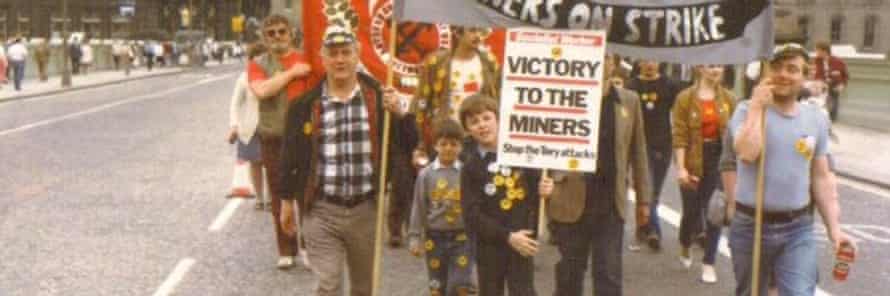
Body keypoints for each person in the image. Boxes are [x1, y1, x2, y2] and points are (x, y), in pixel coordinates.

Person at [277, 24, 412, 296]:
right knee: (328, 285)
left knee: (364, 288)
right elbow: (288, 155)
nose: (340, 59)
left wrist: (400, 113)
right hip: (321, 210)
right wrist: (286, 201)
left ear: (357, 54)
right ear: (322, 58)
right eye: (333, 53)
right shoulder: (304, 105)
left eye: (346, 52)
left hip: (366, 210)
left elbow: (410, 144)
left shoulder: (379, 97)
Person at [729, 44, 853, 296]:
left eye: (792, 69)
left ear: (805, 76)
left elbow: (822, 177)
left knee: (799, 292)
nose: (783, 74)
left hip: (797, 227)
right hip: (751, 225)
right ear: (766, 71)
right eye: (777, 67)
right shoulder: (745, 110)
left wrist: (834, 229)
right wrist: (756, 108)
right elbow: (746, 153)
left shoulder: (815, 118)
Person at [538, 54, 651, 296]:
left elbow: (638, 151)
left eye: (608, 56)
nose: (602, 61)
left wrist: (644, 199)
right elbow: (543, 142)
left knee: (609, 274)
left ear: (615, 62)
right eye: (596, 54)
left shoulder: (629, 101)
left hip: (611, 201)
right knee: (569, 273)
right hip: (570, 196)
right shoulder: (564, 95)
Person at [396, 26, 501, 247]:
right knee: (442, 187)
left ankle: (473, 234)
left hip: (476, 138)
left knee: (479, 186)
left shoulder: (488, 61)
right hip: (446, 136)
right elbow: (422, 100)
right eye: (471, 31)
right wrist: (420, 140)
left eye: (478, 31)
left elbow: (497, 97)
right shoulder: (438, 62)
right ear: (457, 33)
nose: (477, 35)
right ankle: (438, 232)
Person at [247, 14, 314, 270]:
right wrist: (291, 74)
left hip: (304, 136)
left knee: (306, 194)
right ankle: (286, 249)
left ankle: (308, 247)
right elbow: (262, 90)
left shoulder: (305, 59)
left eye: (281, 32)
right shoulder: (258, 63)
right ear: (264, 37)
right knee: (278, 194)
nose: (277, 37)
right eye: (271, 32)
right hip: (273, 136)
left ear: (291, 34)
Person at [458, 94, 540, 296]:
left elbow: (534, 193)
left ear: (498, 119)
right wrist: (507, 236)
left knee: (523, 291)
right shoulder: (470, 167)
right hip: (490, 246)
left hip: (522, 242)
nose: (482, 125)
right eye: (474, 122)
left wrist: (544, 190)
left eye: (487, 118)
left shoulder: (522, 153)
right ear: (467, 129)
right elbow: (471, 214)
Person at [671, 64, 737, 283]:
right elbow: (679, 135)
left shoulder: (729, 98)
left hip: (719, 161)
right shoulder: (684, 98)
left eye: (719, 65)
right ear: (700, 68)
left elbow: (736, 134)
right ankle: (685, 244)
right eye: (711, 65)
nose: (716, 69)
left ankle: (709, 262)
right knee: (691, 212)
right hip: (692, 159)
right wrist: (681, 168)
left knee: (715, 211)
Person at [408, 118, 473, 296]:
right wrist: (414, 237)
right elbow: (418, 206)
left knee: (459, 285)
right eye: (443, 144)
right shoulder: (426, 174)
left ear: (461, 146)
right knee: (437, 286)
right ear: (435, 145)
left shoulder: (467, 173)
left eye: (454, 144)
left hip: (462, 237)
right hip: (434, 237)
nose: (448, 148)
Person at [625, 59, 682, 250]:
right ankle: (653, 231)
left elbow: (679, 110)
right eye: (645, 61)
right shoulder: (631, 85)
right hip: (640, 143)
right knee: (646, 187)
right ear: (638, 63)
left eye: (653, 61)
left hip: (663, 143)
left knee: (654, 191)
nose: (650, 64)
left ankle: (643, 225)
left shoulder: (669, 84)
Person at [229, 42, 268, 210]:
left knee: (272, 164)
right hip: (250, 128)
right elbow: (235, 104)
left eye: (262, 58)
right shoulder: (244, 78)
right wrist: (234, 125)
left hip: (271, 126)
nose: (259, 62)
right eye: (255, 59)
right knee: (255, 164)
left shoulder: (273, 75)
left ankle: (273, 198)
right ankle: (259, 198)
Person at [812, 42, 848, 122]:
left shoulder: (838, 61)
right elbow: (816, 74)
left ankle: (831, 121)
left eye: (817, 50)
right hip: (822, 86)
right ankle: (821, 120)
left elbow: (845, 75)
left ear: (824, 51)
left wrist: (842, 85)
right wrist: (816, 83)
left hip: (834, 86)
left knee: (833, 104)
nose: (816, 53)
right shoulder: (817, 60)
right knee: (820, 103)